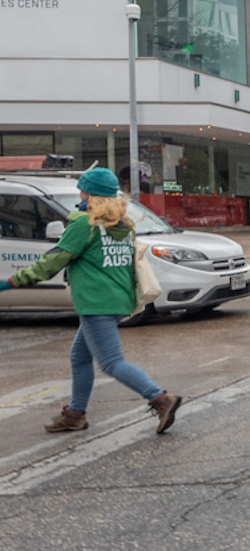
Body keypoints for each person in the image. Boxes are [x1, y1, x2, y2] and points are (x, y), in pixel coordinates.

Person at [1, 168, 182, 434]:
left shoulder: (84, 226)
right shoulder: (122, 226)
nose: (80, 194)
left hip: (97, 303)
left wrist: (11, 282)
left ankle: (160, 398)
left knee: (111, 362)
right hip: (118, 300)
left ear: (91, 194)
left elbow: (52, 261)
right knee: (80, 356)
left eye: (82, 190)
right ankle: (75, 415)